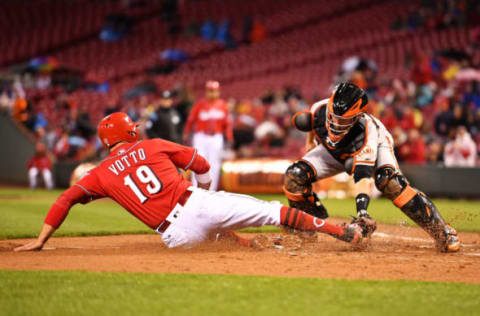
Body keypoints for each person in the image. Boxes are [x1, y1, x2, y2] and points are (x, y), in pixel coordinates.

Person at [14, 112, 366, 252]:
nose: (136, 128)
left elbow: (64, 200)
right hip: (195, 202)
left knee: (218, 239)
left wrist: (41, 241)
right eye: (131, 126)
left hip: (175, 236)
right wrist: (203, 189)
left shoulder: (99, 174)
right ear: (127, 132)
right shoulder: (152, 145)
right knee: (273, 211)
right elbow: (200, 163)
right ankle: (342, 233)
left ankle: (245, 244)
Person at [284, 82, 460, 252]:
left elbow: (362, 176)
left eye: (342, 121)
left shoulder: (365, 133)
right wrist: (310, 142)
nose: (336, 124)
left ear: (357, 118)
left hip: (374, 145)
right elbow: (312, 122)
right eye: (333, 118)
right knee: (294, 175)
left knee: (389, 182)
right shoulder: (319, 109)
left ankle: (442, 231)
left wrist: (362, 212)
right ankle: (306, 226)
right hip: (334, 150)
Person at [183, 80, 233, 190]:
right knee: (198, 162)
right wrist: (186, 133)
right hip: (201, 137)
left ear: (218, 92)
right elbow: (190, 120)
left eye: (214, 91)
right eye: (210, 91)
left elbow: (227, 124)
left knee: (215, 164)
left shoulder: (222, 105)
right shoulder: (200, 104)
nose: (212, 93)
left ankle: (212, 191)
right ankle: (196, 189)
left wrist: (229, 137)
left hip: (216, 137)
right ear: (206, 92)